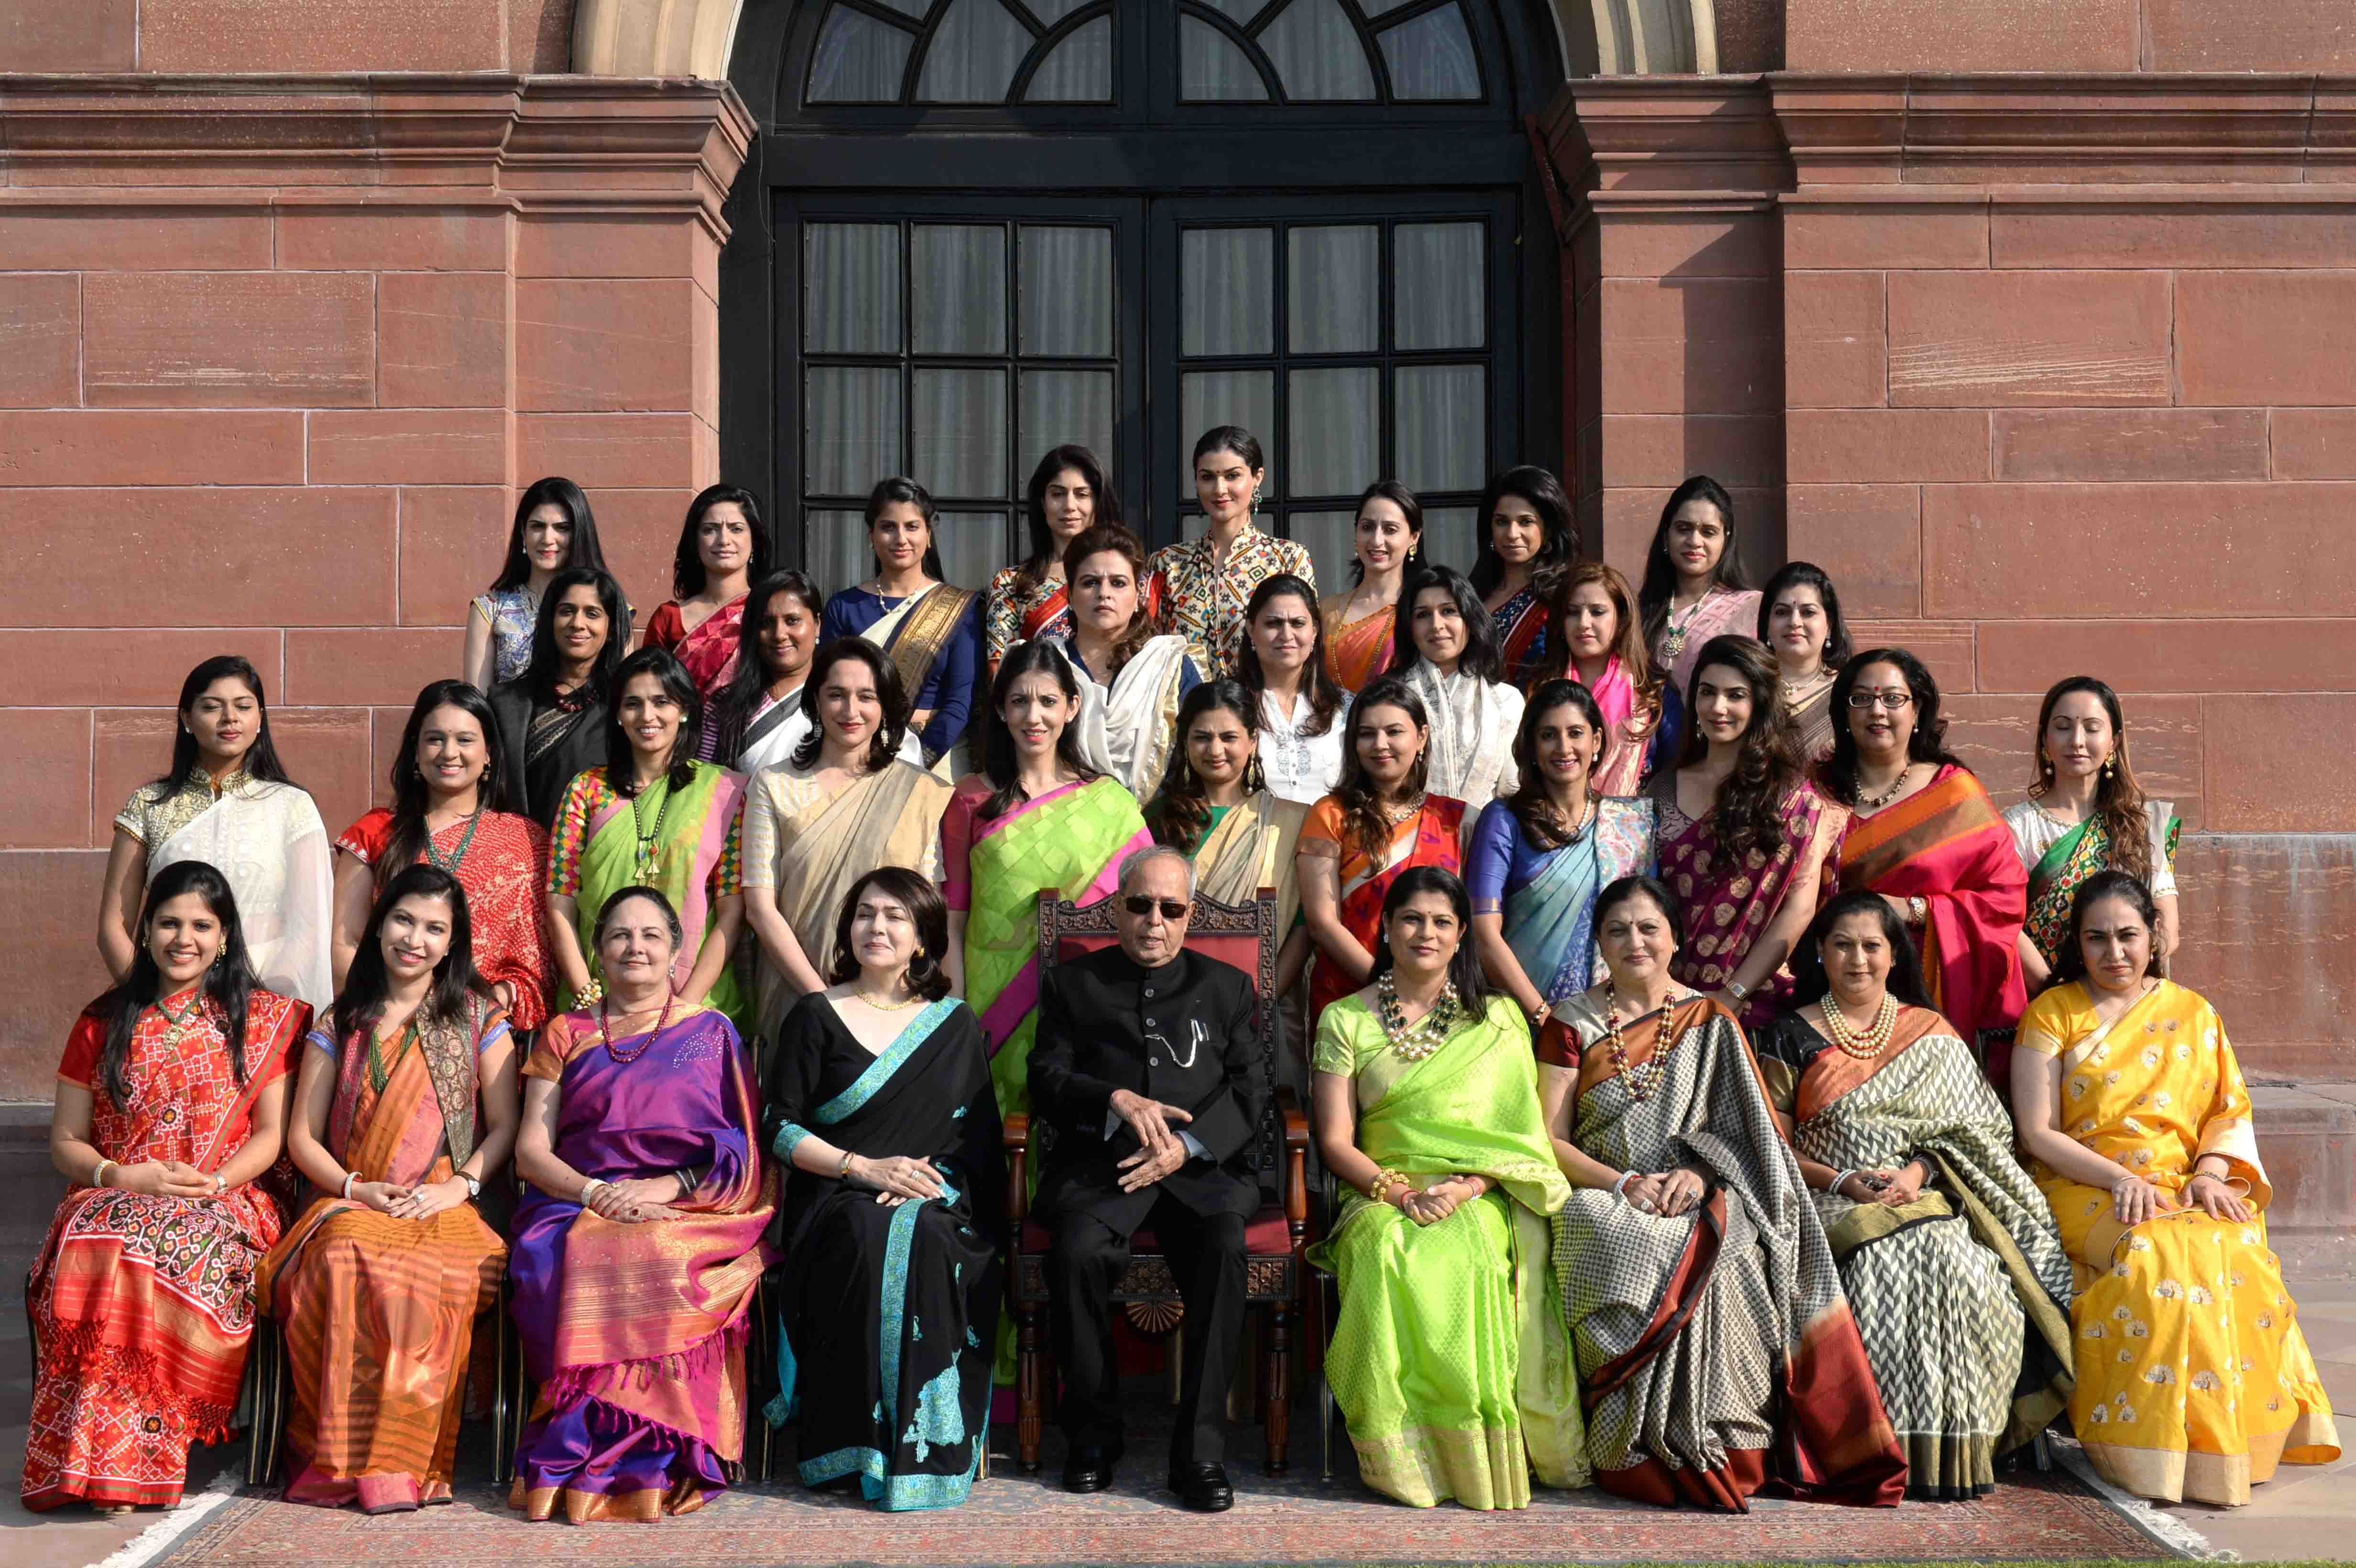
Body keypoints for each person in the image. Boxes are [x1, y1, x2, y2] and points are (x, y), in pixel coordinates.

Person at [1540, 875, 1906, 1510]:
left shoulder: (1711, 1021)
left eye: (1649, 928)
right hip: (1603, 1188)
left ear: (1676, 939)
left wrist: (1702, 1173)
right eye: (1618, 930)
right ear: (1598, 941)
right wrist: (1624, 1183)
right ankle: (1632, 1446)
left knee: (1729, 1251)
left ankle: (1724, 1441)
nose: (1635, 942)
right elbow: (1549, 1141)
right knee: (1613, 1234)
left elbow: (1751, 1139)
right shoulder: (1570, 1022)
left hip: (1702, 1189)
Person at [2012, 871, 2339, 1507]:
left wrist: (2211, 1176)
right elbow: (2037, 1132)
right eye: (2097, 939)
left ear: (2154, 934)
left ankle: (2228, 1446)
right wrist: (2120, 1178)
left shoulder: (2195, 1014)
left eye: (2129, 936)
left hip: (2181, 1184)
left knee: (2232, 1247)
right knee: (2153, 1256)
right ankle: (2145, 1452)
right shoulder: (2053, 1014)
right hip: (2084, 1184)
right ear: (2077, 944)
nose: (2115, 953)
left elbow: (2228, 1112)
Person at [1755, 893, 2074, 1501]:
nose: (1857, 958)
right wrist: (1842, 1181)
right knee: (1880, 1265)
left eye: (1871, 945)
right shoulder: (1787, 1035)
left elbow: (1975, 1132)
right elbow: (1771, 1147)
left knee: (1965, 1270)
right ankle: (1877, 1451)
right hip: (1823, 1197)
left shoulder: (1929, 1032)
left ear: (1892, 954)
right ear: (1819, 953)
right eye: (1841, 944)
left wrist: (1917, 1171)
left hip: (1919, 1195)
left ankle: (1952, 1452)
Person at [24, 862, 309, 1513]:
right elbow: (66, 1142)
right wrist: (120, 1176)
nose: (185, 938)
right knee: (107, 1240)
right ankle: (91, 1463)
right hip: (117, 1186)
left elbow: (271, 1138)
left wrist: (211, 1183)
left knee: (155, 1248)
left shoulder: (260, 1021)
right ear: (146, 930)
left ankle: (131, 1464)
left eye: (202, 925)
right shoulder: (102, 1021)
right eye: (169, 922)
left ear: (226, 937)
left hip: (225, 1199)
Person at [1309, 867, 1582, 1509]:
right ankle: (1401, 1459)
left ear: (1463, 935)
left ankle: (1467, 1460)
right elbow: (1335, 1141)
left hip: (1474, 1192)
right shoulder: (1345, 1019)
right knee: (1380, 1253)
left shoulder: (1499, 1020)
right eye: (1410, 919)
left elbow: (1519, 1140)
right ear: (1386, 930)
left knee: (1471, 1256)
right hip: (1378, 1191)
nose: (1424, 933)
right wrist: (1398, 1194)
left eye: (1440, 922)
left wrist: (1465, 1189)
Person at [508, 885, 776, 1522]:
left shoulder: (710, 1032)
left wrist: (666, 1189)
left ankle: (659, 1455)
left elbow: (741, 1150)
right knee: (563, 1255)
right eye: (620, 936)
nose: (636, 948)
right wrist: (598, 1193)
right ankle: (580, 1447)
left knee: (657, 1248)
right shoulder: (566, 1032)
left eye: (652, 936)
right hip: (575, 1202)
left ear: (677, 952)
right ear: (598, 952)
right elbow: (530, 1152)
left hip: (688, 1205)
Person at [260, 865, 517, 1512]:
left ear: (453, 943)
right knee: (343, 1256)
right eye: (404, 920)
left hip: (446, 1204)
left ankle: (400, 1467)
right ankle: (339, 1461)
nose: (416, 939)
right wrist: (357, 1189)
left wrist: (458, 1188)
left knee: (434, 1276)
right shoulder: (340, 1018)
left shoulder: (477, 1017)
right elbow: (302, 1139)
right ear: (379, 927)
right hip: (354, 1199)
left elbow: (507, 1125)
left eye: (435, 929)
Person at [1029, 846, 1268, 1512]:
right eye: (1139, 906)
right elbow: (1044, 1080)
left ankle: (1200, 1452)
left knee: (1224, 1244)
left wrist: (1189, 1146)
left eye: (1170, 908)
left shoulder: (1227, 988)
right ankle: (1094, 1437)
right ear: (1117, 909)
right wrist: (1114, 1100)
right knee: (1075, 1252)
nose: (1153, 921)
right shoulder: (1076, 984)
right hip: (1106, 1168)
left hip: (1202, 1172)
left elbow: (1253, 1093)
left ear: (1190, 916)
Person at [762, 869, 1004, 1510]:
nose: (877, 927)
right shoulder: (816, 1016)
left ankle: (926, 1445)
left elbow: (974, 1145)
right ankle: (855, 1445)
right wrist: (862, 1169)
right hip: (836, 1196)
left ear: (924, 939)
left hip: (933, 1200)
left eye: (896, 917)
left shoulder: (954, 1028)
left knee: (920, 1233)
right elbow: (779, 1129)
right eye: (866, 914)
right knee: (868, 1230)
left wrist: (927, 1184)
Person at [943, 641, 1154, 1119]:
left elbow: (1148, 909)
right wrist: (955, 1015)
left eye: (1047, 701)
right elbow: (952, 923)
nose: (1032, 716)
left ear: (1072, 706)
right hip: (990, 996)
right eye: (1018, 701)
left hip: (1092, 997)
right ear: (1000, 709)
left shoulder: (1110, 802)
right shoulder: (970, 799)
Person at [1821, 649, 2027, 1086]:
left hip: (1930, 988)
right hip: (1835, 983)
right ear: (1844, 713)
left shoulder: (1953, 793)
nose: (1877, 710)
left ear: (1917, 711)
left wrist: (1914, 910)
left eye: (1893, 699)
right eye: (1861, 699)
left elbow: (2004, 896)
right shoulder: (1817, 791)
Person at [740, 640, 950, 1047]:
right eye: (836, 695)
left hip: (892, 1002)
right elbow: (760, 908)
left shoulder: (918, 792)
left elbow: (927, 904)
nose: (850, 711)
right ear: (815, 702)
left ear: (886, 707)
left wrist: (878, 1004)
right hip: (796, 995)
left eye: (866, 697)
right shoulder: (775, 785)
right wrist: (822, 1001)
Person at [98, 654, 334, 1009]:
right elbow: (113, 928)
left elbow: (309, 930)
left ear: (260, 719)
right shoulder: (149, 804)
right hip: (166, 1000)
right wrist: (158, 1004)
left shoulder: (291, 805)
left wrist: (262, 1012)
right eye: (212, 707)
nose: (230, 718)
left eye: (243, 706)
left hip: (266, 1002)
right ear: (187, 719)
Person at [331, 680, 554, 1031]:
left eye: (465, 740)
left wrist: (486, 1010)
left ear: (489, 754)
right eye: (435, 739)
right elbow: (347, 944)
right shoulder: (376, 832)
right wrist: (383, 1022)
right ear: (416, 752)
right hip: (388, 1027)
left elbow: (538, 961)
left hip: (488, 1031)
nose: (449, 753)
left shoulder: (525, 841)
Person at [546, 647, 749, 1032]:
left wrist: (683, 1009)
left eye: (662, 702)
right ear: (619, 716)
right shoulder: (587, 791)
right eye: (633, 704)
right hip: (597, 1003)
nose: (648, 716)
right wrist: (588, 994)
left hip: (695, 1005)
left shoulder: (724, 792)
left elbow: (732, 911)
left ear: (684, 710)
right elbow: (560, 899)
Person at [1649, 636, 1843, 1028]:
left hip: (1755, 1002)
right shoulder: (1660, 789)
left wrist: (1733, 993)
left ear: (1759, 706)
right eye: (1707, 693)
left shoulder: (1793, 798)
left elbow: (1799, 909)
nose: (1718, 708)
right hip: (1664, 998)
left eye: (1735, 695)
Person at [1470, 681, 1655, 1024]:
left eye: (1575, 733)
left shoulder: (1629, 824)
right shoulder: (1504, 819)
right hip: (1517, 1018)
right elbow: (1484, 932)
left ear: (1596, 741)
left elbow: (1648, 927)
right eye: (1549, 735)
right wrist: (1545, 1016)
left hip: (1611, 1020)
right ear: (1533, 747)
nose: (1564, 747)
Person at [1298, 677, 1466, 1023]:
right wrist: (1387, 988)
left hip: (1438, 1001)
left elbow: (1469, 921)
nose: (1380, 745)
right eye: (1366, 734)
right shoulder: (1330, 813)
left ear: (1421, 737)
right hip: (1351, 999)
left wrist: (1421, 995)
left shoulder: (1457, 820)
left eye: (1394, 732)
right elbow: (1322, 923)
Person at [2005, 676, 2181, 992]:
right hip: (2046, 1002)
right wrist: (2056, 994)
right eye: (2062, 727)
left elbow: (2166, 926)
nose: (2076, 740)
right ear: (2045, 739)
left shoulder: (2140, 825)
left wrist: (2121, 985)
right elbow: (2005, 924)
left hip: (2132, 1003)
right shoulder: (2018, 827)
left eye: (2092, 727)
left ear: (2113, 741)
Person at [1145, 680, 1311, 993]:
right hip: (1168, 995)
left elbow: (1302, 926)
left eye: (1228, 737)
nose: (1215, 750)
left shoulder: (1287, 822)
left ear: (1253, 741)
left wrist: (1264, 998)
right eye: (1202, 738)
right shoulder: (1158, 819)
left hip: (1259, 996)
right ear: (1185, 743)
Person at [821, 477, 983, 773]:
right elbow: (827, 691)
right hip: (853, 760)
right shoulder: (843, 607)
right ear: (871, 536)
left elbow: (960, 702)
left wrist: (914, 764)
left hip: (936, 764)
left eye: (912, 527)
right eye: (888, 527)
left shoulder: (960, 608)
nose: (901, 538)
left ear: (929, 534)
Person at [1044, 522, 1206, 797]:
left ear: (1138, 597)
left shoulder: (1170, 666)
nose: (1103, 593)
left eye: (1118, 583)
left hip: (1157, 826)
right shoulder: (1045, 664)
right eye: (1090, 582)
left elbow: (1197, 757)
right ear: (1070, 595)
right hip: (1056, 822)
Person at [1149, 425, 1315, 675]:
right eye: (1207, 477)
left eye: (1232, 476)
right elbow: (1150, 652)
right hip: (1186, 711)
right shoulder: (1167, 563)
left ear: (1257, 477)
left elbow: (1304, 648)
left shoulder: (1288, 559)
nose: (1219, 489)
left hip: (1260, 709)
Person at [643, 484, 772, 759]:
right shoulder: (669, 617)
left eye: (736, 529)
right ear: (695, 542)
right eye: (710, 529)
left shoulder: (769, 612)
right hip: (674, 755)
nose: (723, 539)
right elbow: (648, 691)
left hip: (754, 750)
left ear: (755, 542)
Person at [1387, 564, 1524, 815]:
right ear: (1410, 627)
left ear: (1470, 620)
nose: (1436, 625)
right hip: (1405, 841)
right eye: (1423, 615)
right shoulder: (1390, 698)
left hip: (1485, 841)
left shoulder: (1506, 700)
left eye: (1449, 611)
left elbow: (1513, 789)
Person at [1535, 561, 1676, 794]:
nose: (1583, 623)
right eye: (1572, 612)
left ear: (1621, 620)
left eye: (1597, 612)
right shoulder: (1537, 689)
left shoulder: (1653, 693)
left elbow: (1675, 774)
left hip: (1634, 825)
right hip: (1549, 823)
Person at [986, 445, 1129, 672]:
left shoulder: (1131, 580)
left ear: (1098, 503)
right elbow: (1001, 672)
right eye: (1058, 494)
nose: (1069, 506)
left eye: (1082, 494)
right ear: (1043, 503)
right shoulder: (1011, 583)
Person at [465, 477, 612, 693]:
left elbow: (623, 696)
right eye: (538, 527)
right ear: (523, 532)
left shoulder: (611, 607)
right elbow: (477, 706)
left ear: (579, 534)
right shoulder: (490, 610)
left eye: (562, 528)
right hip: (509, 726)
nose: (548, 538)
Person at [1637, 476, 1760, 698]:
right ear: (1666, 535)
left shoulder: (1752, 609)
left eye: (1709, 532)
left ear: (1726, 539)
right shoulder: (1640, 610)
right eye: (1684, 529)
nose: (1695, 541)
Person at [1241, 573, 1350, 807]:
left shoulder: (1345, 708)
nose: (1287, 635)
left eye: (1298, 623)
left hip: (1330, 840)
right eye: (1273, 623)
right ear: (1251, 629)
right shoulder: (1231, 706)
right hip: (1250, 840)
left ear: (1315, 631)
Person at [709, 570, 824, 773]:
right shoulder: (723, 707)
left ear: (817, 625)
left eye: (792, 621)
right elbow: (704, 788)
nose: (779, 635)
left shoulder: (838, 700)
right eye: (767, 623)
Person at [1472, 466, 1575, 689]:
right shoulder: (1473, 595)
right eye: (1502, 522)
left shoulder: (1565, 596)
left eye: (1526, 522)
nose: (1512, 534)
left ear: (1548, 531)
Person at [1319, 480, 1421, 692]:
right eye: (1367, 527)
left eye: (1390, 530)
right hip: (1330, 723)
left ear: (1414, 537)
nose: (1376, 540)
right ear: (1356, 533)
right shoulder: (1327, 610)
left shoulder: (1420, 610)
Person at [1757, 562, 1851, 764]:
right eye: (1782, 612)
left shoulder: (1850, 691)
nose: (1795, 622)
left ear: (1829, 625)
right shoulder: (1749, 687)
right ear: (1767, 624)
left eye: (1808, 612)